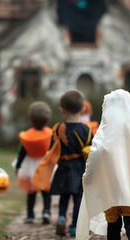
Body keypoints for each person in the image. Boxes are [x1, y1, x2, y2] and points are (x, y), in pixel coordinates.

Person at [76, 89, 130, 240]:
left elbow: (95, 158)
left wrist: (89, 178)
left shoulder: (103, 137)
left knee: (113, 224)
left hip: (109, 190)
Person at [32, 90, 93, 237]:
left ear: (62, 110)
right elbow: (91, 151)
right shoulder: (87, 129)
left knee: (64, 196)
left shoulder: (58, 128)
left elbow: (52, 149)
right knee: (78, 197)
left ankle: (61, 218)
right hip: (79, 169)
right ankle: (74, 226)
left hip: (63, 167)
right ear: (83, 109)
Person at [15, 101, 53, 224]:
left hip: (30, 166)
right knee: (46, 191)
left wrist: (18, 165)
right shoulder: (50, 134)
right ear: (47, 121)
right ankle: (46, 211)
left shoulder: (27, 136)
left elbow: (22, 152)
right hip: (45, 165)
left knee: (31, 193)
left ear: (31, 120)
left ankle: (30, 214)